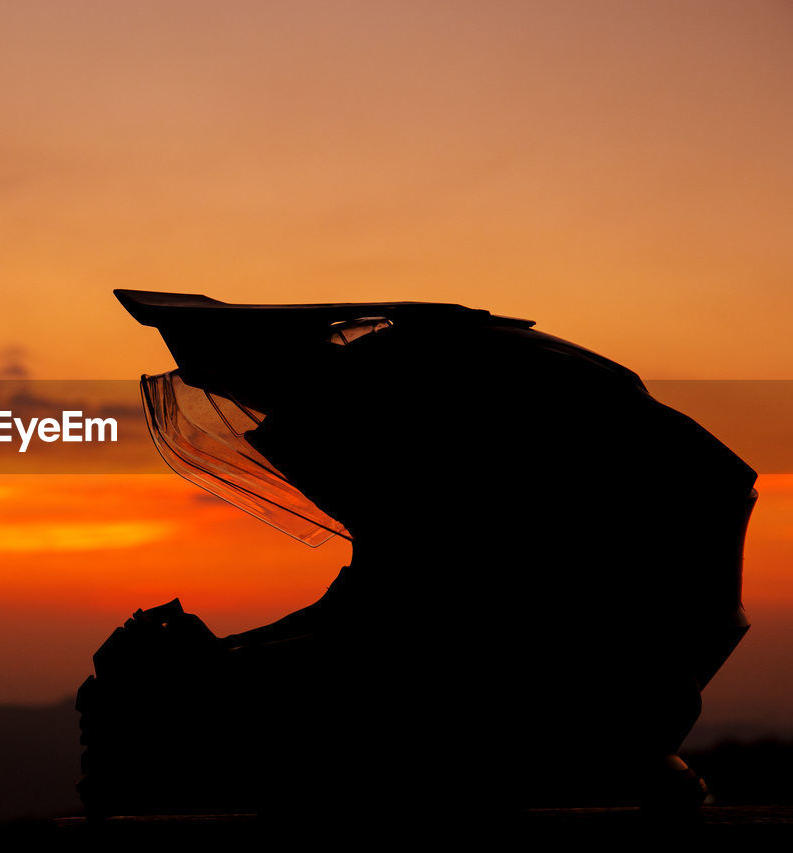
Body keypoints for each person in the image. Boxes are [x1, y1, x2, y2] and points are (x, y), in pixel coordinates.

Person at [77, 290, 758, 820]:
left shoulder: (405, 411)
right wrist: (225, 660)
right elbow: (381, 601)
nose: (264, 429)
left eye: (250, 398)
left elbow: (412, 637)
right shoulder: (402, 411)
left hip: (533, 731)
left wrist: (214, 679)